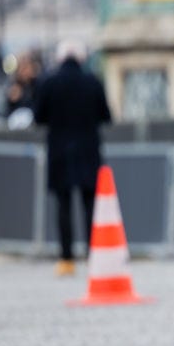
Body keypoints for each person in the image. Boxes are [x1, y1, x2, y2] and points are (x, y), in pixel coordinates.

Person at [33, 40, 112, 277]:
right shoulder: (92, 82)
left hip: (59, 151)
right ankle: (92, 255)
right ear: (81, 58)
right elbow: (106, 116)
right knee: (90, 207)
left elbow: (38, 117)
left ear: (60, 58)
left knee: (63, 207)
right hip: (88, 150)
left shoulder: (50, 83)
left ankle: (66, 258)